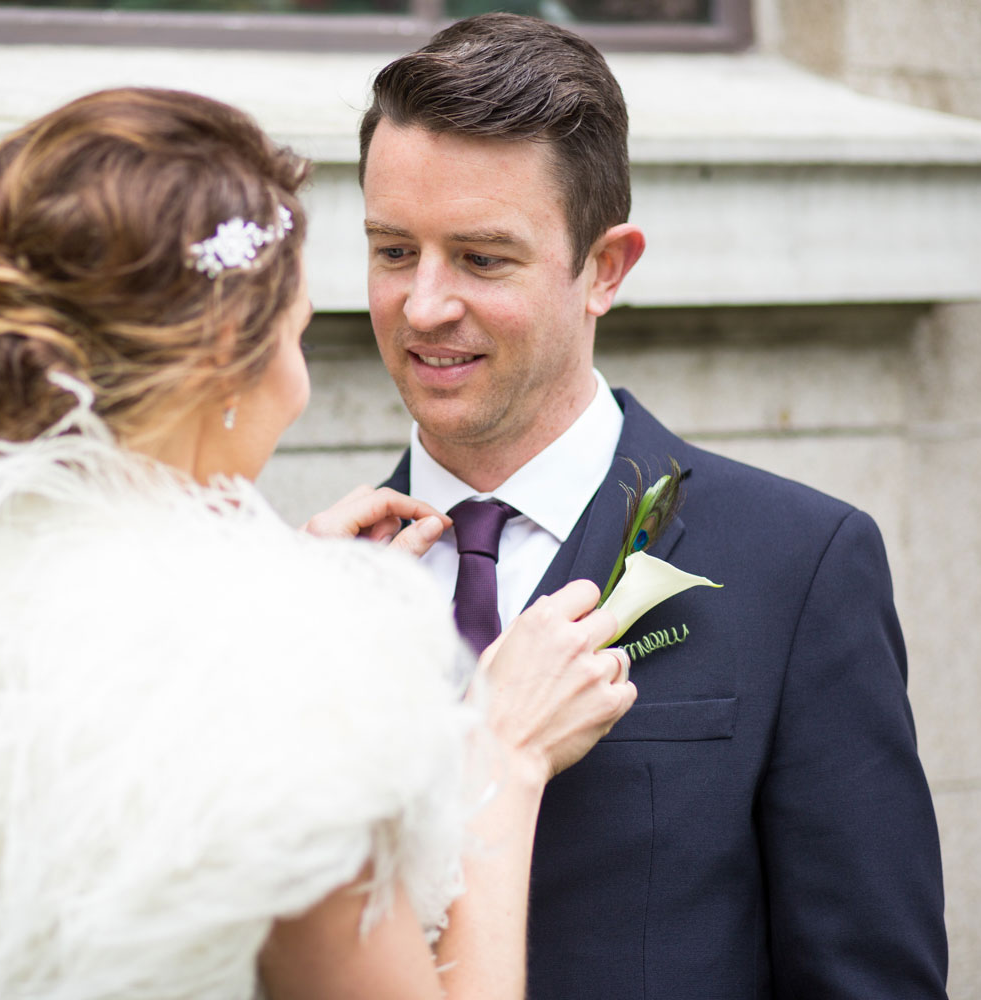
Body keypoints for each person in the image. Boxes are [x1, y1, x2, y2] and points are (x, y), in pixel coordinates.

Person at [0, 87, 637, 1000]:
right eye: (294, 335)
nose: (300, 385)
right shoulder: (294, 693)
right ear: (226, 359)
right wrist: (499, 761)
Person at [354, 13, 949, 999]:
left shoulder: (800, 565)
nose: (423, 305)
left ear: (607, 268)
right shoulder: (311, 588)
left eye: (482, 257)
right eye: (390, 250)